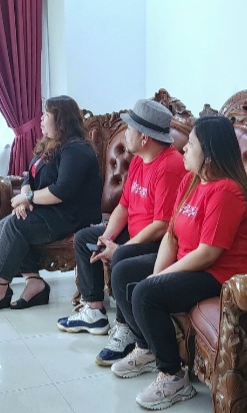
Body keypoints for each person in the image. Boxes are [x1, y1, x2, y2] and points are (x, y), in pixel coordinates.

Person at [108, 115, 247, 410]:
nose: (183, 148)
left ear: (208, 153)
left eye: (191, 144)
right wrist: (158, 272)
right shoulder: (190, 181)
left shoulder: (227, 191)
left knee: (145, 294)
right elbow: (171, 236)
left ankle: (173, 377)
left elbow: (208, 253)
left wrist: (159, 279)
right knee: (123, 273)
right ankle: (148, 347)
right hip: (194, 263)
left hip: (222, 276)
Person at [56, 99, 187, 359]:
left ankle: (126, 328)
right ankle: (94, 310)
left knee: (121, 257)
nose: (125, 134)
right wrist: (106, 238)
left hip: (157, 240)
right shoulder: (139, 160)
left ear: (144, 137)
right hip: (134, 231)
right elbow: (124, 206)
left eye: (130, 129)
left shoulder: (169, 166)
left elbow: (161, 225)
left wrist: (121, 248)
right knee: (85, 238)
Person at [0, 95, 101, 312]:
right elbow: (28, 178)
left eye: (46, 115)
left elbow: (61, 191)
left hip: (70, 215)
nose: (41, 119)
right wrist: (24, 199)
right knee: (6, 224)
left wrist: (28, 198)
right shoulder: (50, 144)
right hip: (49, 211)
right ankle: (34, 282)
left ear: (61, 120)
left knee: (14, 226)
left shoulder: (76, 149)